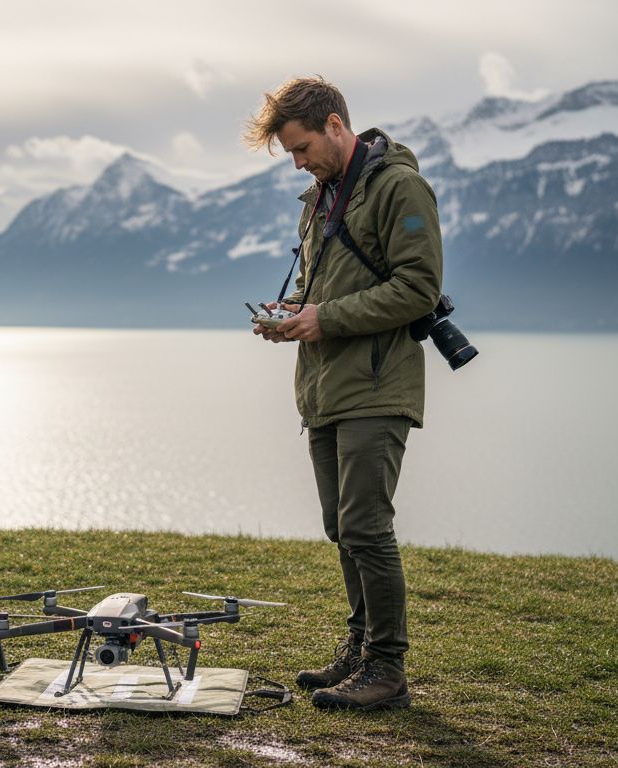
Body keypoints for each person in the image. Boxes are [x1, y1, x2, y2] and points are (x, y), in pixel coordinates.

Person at [244, 76, 443, 710]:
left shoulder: (399, 187)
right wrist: (294, 315)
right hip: (325, 385)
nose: (297, 162)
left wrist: (324, 318)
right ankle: (360, 649)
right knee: (341, 526)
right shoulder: (320, 198)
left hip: (377, 386)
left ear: (335, 124)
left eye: (301, 147)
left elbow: (418, 287)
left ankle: (387, 669)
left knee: (365, 526)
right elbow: (331, 291)